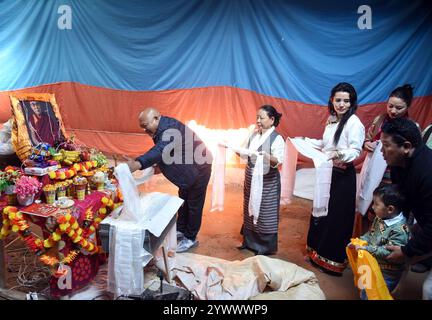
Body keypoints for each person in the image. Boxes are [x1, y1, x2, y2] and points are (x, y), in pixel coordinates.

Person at [125, 108, 212, 253]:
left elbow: (160, 150)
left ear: (156, 118)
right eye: (142, 127)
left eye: (145, 125)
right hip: (188, 169)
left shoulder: (169, 129)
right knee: (183, 200)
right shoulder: (159, 129)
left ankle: (190, 238)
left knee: (194, 205)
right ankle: (182, 230)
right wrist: (158, 164)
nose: (144, 129)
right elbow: (168, 151)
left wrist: (138, 163)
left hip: (199, 167)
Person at [305, 82, 365, 276]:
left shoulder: (354, 123)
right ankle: (316, 253)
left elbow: (355, 151)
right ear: (332, 100)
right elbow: (325, 144)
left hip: (342, 176)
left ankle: (331, 260)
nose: (341, 104)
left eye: (346, 101)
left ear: (352, 102)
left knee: (336, 218)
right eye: (338, 100)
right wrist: (305, 142)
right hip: (327, 172)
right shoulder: (332, 120)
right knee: (321, 213)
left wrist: (337, 154)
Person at [380, 118, 432, 300]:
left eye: (386, 145)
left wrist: (407, 251)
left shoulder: (427, 172)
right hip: (426, 220)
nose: (381, 151)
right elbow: (404, 204)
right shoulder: (398, 165)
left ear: (406, 147)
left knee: (429, 290)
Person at [355, 85, 418, 235]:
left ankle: (382, 245)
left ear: (408, 107)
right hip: (374, 172)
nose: (393, 111)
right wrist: (366, 144)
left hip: (394, 174)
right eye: (390, 106)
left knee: (387, 207)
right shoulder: (380, 121)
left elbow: (412, 155)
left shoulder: (412, 128)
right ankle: (362, 241)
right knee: (369, 205)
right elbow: (368, 139)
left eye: (399, 108)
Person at [236, 105, 285, 255]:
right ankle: (249, 242)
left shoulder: (277, 138)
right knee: (249, 208)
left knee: (265, 211)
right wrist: (234, 149)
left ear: (272, 120)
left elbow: (278, 161)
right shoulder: (253, 135)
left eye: (261, 118)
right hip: (251, 178)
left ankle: (264, 247)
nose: (258, 121)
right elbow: (245, 155)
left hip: (267, 181)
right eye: (257, 117)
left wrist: (266, 156)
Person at [348, 184, 409, 300]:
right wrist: (360, 241)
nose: (373, 207)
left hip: (386, 273)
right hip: (371, 264)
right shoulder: (380, 217)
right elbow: (371, 235)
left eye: (376, 204)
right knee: (365, 290)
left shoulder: (400, 230)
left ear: (390, 209)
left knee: (376, 295)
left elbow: (389, 253)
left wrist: (366, 249)